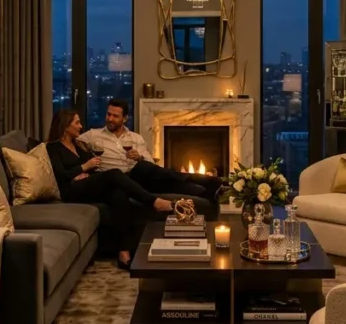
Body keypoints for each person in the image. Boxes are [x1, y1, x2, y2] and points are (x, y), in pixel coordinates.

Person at [46, 109, 173, 270]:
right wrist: (83, 168)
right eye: (77, 123)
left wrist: (85, 171)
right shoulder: (53, 147)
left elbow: (91, 167)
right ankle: (153, 201)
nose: (81, 126)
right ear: (65, 126)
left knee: (118, 194)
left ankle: (124, 252)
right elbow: (60, 175)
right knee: (114, 174)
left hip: (86, 185)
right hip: (70, 191)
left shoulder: (77, 145)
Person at [78, 99, 222, 201]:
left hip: (137, 177)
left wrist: (139, 157)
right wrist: (82, 169)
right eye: (108, 114)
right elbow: (70, 144)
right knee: (153, 177)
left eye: (115, 116)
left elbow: (151, 164)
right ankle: (202, 181)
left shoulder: (135, 138)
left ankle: (206, 191)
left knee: (148, 169)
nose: (110, 119)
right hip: (114, 179)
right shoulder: (92, 135)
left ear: (125, 118)